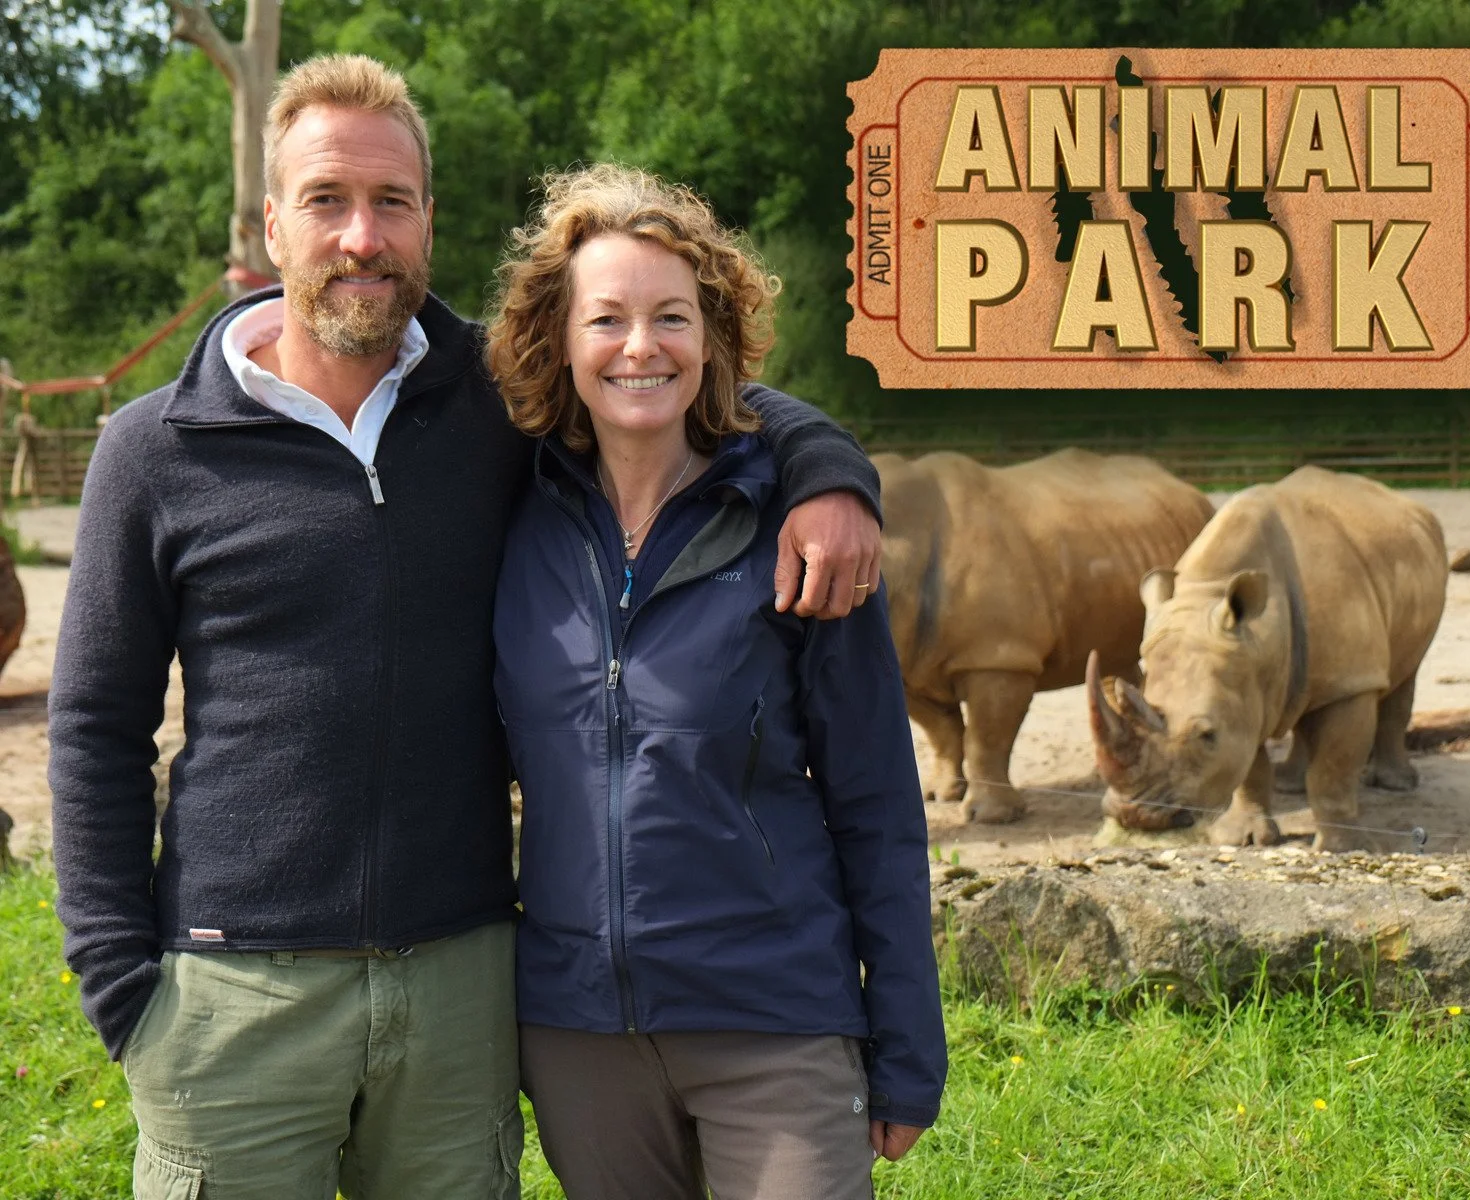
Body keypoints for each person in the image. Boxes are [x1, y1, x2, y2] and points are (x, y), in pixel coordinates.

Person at [48, 55, 885, 1199]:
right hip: (233, 996)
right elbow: (94, 725)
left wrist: (829, 468)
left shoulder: (499, 402)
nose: (361, 237)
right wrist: (119, 984)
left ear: (428, 219)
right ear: (272, 222)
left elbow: (664, 372)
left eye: (392, 203)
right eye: (327, 201)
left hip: (460, 991)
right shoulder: (151, 449)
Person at [485, 163, 946, 1200]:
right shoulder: (509, 517)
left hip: (774, 1020)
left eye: (672, 317)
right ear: (559, 340)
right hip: (576, 1035)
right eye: (606, 318)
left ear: (714, 339)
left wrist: (907, 1038)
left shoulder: (798, 535)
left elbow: (876, 800)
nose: (640, 346)